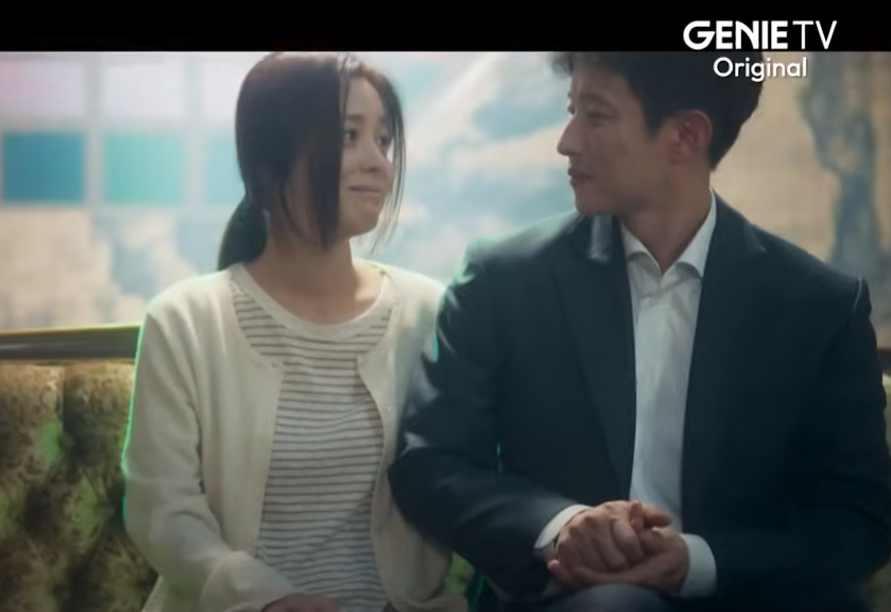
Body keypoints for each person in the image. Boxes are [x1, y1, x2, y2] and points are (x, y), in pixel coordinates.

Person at [387, 51, 891, 612]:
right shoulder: (502, 280)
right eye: (572, 110)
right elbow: (431, 461)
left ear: (686, 135)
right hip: (571, 598)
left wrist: (697, 561)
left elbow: (860, 520)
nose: (567, 142)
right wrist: (562, 525)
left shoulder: (819, 306)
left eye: (596, 116)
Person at [122, 52, 464, 612]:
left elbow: (465, 477)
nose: (377, 163)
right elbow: (162, 509)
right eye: (349, 136)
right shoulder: (184, 321)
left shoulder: (427, 312)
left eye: (383, 141)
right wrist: (266, 599)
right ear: (267, 163)